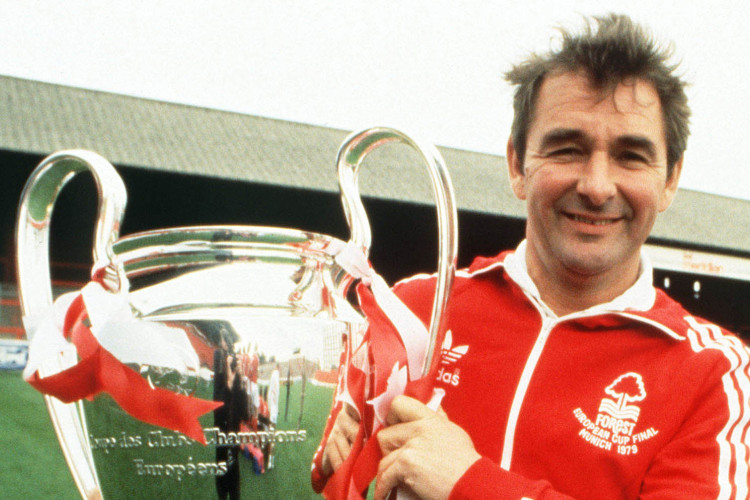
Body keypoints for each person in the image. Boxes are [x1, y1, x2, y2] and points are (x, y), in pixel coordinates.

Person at [314, 13, 750, 500]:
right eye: (567, 150)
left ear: (669, 179)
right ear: (518, 165)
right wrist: (324, 461)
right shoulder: (411, 312)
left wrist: (470, 484)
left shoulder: (714, 371)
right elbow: (324, 480)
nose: (596, 186)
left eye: (631, 156)